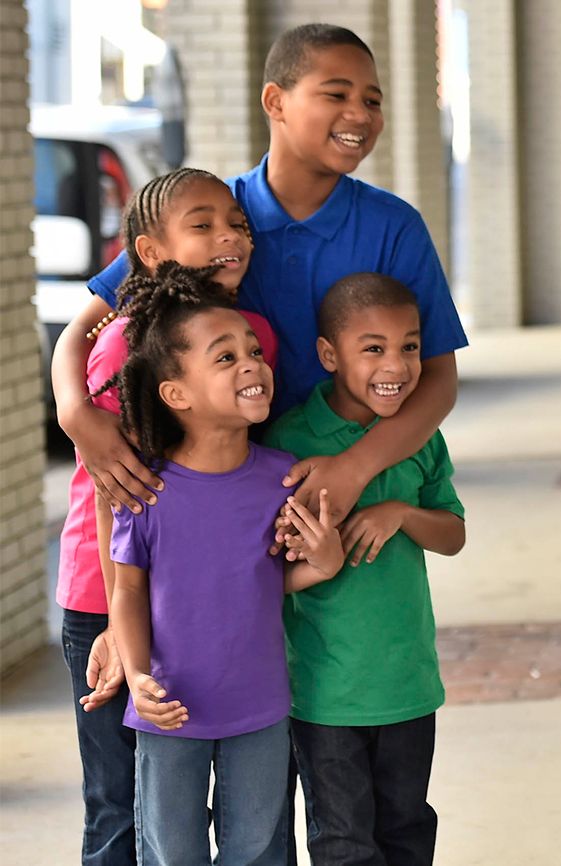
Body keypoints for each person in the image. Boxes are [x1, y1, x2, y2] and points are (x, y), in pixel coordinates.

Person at [52, 22, 467, 530]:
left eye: (373, 101)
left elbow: (439, 380)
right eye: (336, 94)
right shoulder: (209, 220)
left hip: (341, 497)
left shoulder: (394, 227)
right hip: (216, 499)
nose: (360, 114)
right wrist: (76, 416)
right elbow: (83, 330)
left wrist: (355, 468)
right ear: (275, 101)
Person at [57, 167, 277, 865]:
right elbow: (108, 486)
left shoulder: (252, 333)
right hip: (111, 589)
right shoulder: (127, 341)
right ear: (150, 252)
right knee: (125, 809)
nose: (228, 238)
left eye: (237, 225)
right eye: (204, 226)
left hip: (200, 591)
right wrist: (126, 634)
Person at [107, 264, 343, 864]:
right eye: (225, 357)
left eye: (254, 351)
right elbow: (129, 593)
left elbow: (272, 579)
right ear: (176, 393)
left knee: (257, 850)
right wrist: (136, 677)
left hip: (260, 707)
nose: (251, 364)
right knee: (170, 853)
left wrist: (326, 560)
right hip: (168, 708)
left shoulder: (282, 478)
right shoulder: (147, 489)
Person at [264, 273, 465, 865]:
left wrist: (400, 513)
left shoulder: (419, 438)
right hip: (326, 693)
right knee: (344, 843)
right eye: (373, 348)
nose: (397, 365)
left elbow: (453, 535)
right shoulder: (288, 440)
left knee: (407, 830)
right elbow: (262, 566)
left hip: (408, 683)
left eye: (409, 346)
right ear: (329, 355)